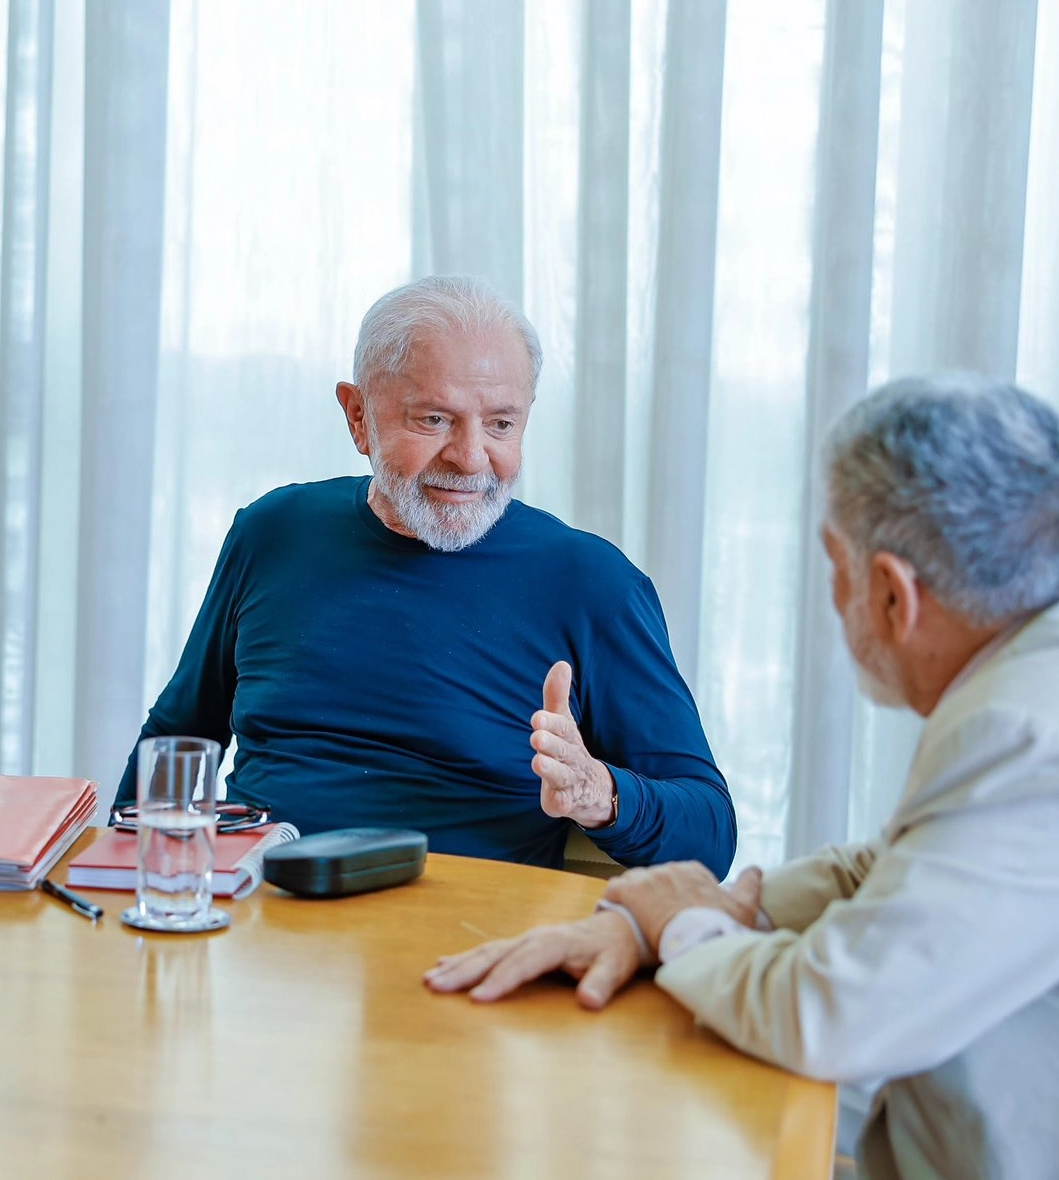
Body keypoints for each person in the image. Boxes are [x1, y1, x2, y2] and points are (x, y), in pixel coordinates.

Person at [426, 375, 1059, 1180]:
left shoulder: (1023, 729)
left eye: (834, 565)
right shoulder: (1025, 678)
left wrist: (682, 928)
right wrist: (639, 922)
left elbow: (827, 1015)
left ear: (893, 594)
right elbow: (891, 865)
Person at [117, 275, 735, 873]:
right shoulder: (270, 532)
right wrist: (126, 885)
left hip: (458, 944)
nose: (470, 459)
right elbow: (177, 737)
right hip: (259, 915)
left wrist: (602, 793)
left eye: (500, 423)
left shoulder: (593, 583)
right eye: (434, 419)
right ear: (358, 417)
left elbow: (711, 831)